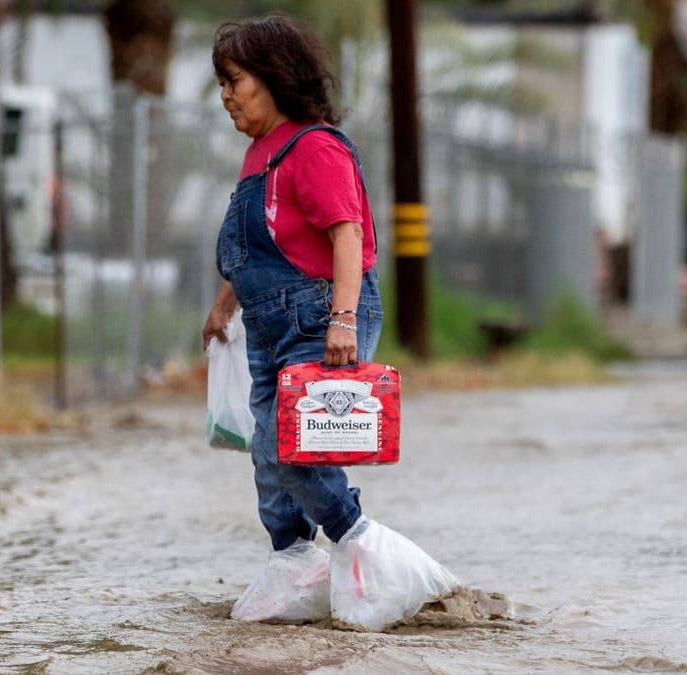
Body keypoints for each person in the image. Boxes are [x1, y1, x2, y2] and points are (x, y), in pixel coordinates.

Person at [202, 15, 457, 631]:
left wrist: (342, 320)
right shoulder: (256, 155)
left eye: (235, 80)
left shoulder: (313, 146)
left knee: (295, 447)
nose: (227, 95)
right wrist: (223, 305)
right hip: (266, 322)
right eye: (222, 83)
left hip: (320, 313)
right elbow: (258, 245)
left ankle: (359, 541)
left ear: (273, 78)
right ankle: (294, 563)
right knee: (267, 453)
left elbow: (346, 235)